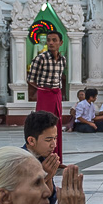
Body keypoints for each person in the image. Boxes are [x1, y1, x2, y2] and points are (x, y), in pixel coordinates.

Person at [26, 31, 66, 160]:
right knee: (43, 125)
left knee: (57, 125)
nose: (50, 43)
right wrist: (39, 90)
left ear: (61, 43)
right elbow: (31, 79)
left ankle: (56, 158)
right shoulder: (40, 58)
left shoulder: (62, 60)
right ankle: (42, 158)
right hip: (44, 93)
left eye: (54, 40)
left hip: (56, 94)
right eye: (49, 40)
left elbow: (60, 78)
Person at [22, 110, 60, 204]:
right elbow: (22, 200)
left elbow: (49, 201)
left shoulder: (43, 158)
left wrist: (49, 176)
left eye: (55, 138)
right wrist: (44, 176)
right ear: (31, 140)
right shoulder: (18, 161)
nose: (54, 145)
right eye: (48, 140)